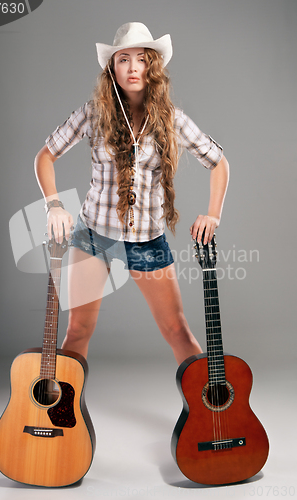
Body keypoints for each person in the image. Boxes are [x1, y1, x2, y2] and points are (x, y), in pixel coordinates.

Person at [34, 22, 229, 365]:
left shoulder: (172, 119)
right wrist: (54, 206)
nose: (133, 67)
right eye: (123, 59)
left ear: (152, 66)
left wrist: (213, 214)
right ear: (113, 67)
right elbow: (45, 156)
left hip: (147, 239)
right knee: (77, 331)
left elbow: (219, 163)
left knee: (177, 329)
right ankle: (63, 412)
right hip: (95, 234)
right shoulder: (93, 114)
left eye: (141, 59)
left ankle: (210, 410)